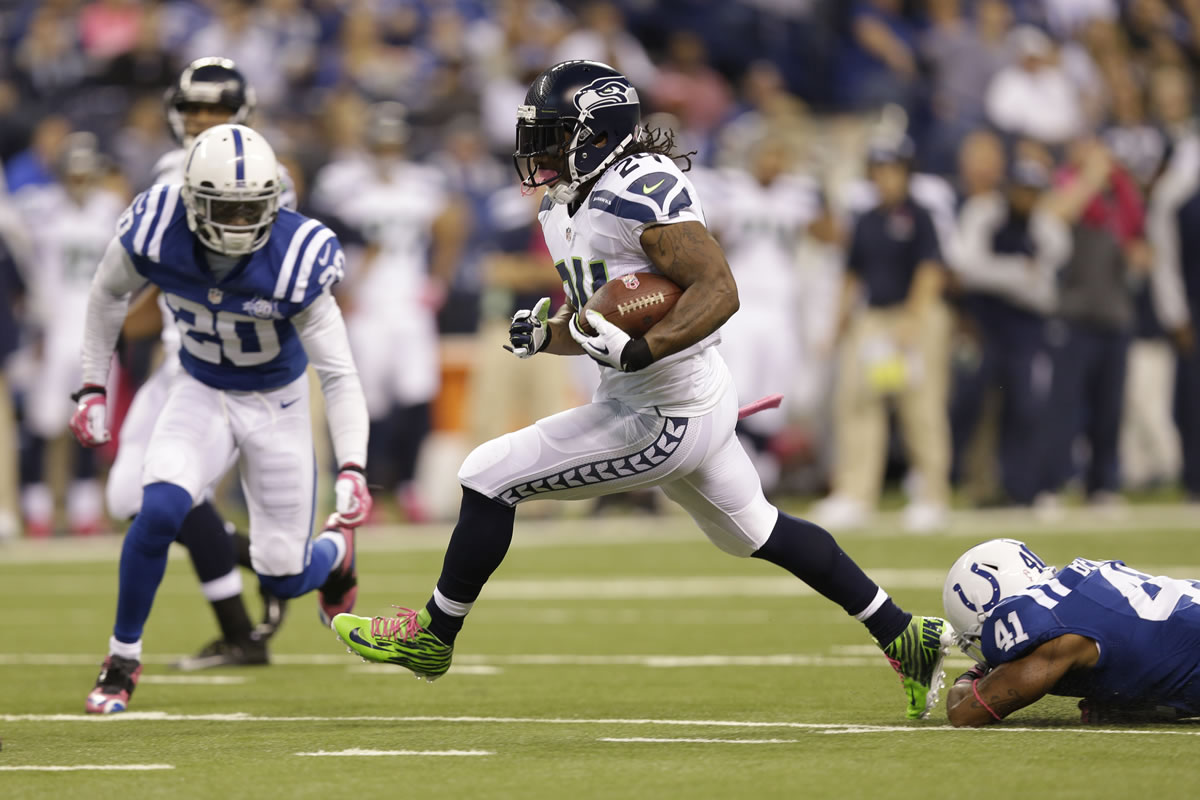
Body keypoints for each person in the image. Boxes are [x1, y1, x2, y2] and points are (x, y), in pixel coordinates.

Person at [330, 60, 951, 721]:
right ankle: (907, 635)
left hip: (667, 409)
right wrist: (550, 335)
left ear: (595, 135)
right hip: (666, 394)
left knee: (487, 474)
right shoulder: (563, 202)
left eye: (552, 133)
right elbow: (600, 321)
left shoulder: (643, 188)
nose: (536, 148)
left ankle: (433, 635)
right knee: (757, 531)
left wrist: (642, 349)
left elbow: (718, 289)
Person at [71, 123, 371, 713]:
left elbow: (338, 373)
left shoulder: (299, 254)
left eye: (250, 210)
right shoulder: (157, 225)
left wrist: (354, 467)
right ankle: (121, 658)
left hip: (277, 406)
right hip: (200, 386)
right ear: (191, 200)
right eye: (222, 209)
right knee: (156, 507)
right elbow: (106, 294)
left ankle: (336, 554)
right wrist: (90, 387)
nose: (237, 224)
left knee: (283, 576)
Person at [106, 57, 296, 670]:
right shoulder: (168, 171)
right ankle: (262, 572)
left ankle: (253, 605)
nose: (202, 120)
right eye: (193, 109)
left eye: (215, 108)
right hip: (176, 352)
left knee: (157, 495)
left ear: (241, 111)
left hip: (219, 359)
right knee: (131, 498)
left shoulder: (265, 174)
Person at [311, 101, 464, 522]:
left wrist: (438, 280)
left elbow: (453, 224)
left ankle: (410, 486)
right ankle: (369, 486)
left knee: (417, 394)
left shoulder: (421, 183)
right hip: (366, 304)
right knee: (366, 399)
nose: (387, 148)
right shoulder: (343, 183)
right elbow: (322, 236)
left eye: (394, 141)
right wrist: (339, 288)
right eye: (381, 140)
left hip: (409, 303)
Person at [815, 136, 952, 533]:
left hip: (914, 315)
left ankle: (931, 494)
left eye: (892, 170)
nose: (885, 178)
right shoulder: (867, 218)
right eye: (879, 171)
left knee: (920, 406)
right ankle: (856, 493)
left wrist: (914, 316)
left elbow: (931, 268)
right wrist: (836, 326)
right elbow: (852, 275)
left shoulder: (921, 215)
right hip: (873, 320)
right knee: (857, 402)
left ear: (906, 173)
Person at [942, 538, 1200, 726]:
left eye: (979, 636)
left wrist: (970, 676)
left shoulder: (1053, 629)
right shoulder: (1079, 584)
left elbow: (965, 713)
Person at [14, 131, 125, 536]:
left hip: (96, 333)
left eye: (84, 173)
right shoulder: (41, 209)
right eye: (72, 173)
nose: (78, 181)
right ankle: (37, 508)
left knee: (91, 427)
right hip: (54, 329)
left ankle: (83, 510)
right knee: (42, 425)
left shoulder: (112, 210)